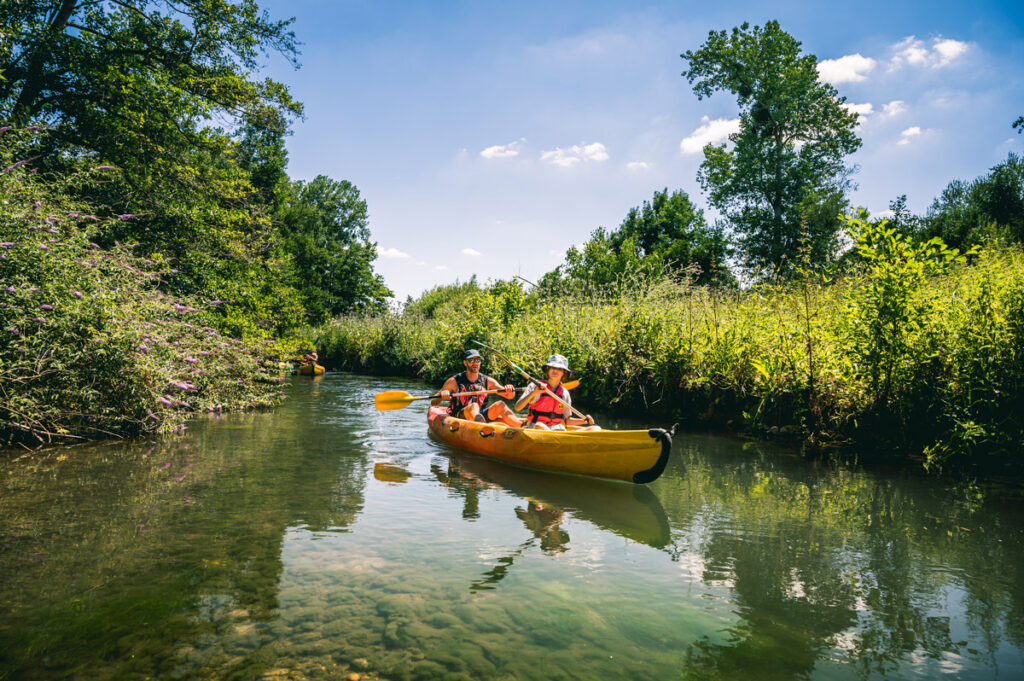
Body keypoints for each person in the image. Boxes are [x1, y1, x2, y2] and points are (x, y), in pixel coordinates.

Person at [434, 349, 523, 426]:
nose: (475, 363)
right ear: (465, 363)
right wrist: (442, 395)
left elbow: (510, 396)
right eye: (471, 360)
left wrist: (510, 390)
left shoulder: (488, 381)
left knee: (500, 405)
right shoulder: (453, 381)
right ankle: (481, 428)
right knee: (474, 406)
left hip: (480, 416)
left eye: (477, 360)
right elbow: (434, 402)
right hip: (460, 417)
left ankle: (522, 427)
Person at [514, 354, 599, 431]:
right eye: (553, 367)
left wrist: (584, 421)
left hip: (557, 429)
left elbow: (567, 420)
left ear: (564, 373)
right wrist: (533, 393)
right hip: (535, 428)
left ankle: (562, 440)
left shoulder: (564, 393)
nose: (555, 371)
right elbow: (517, 407)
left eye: (559, 369)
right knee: (540, 425)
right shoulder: (535, 386)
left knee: (595, 428)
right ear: (548, 369)